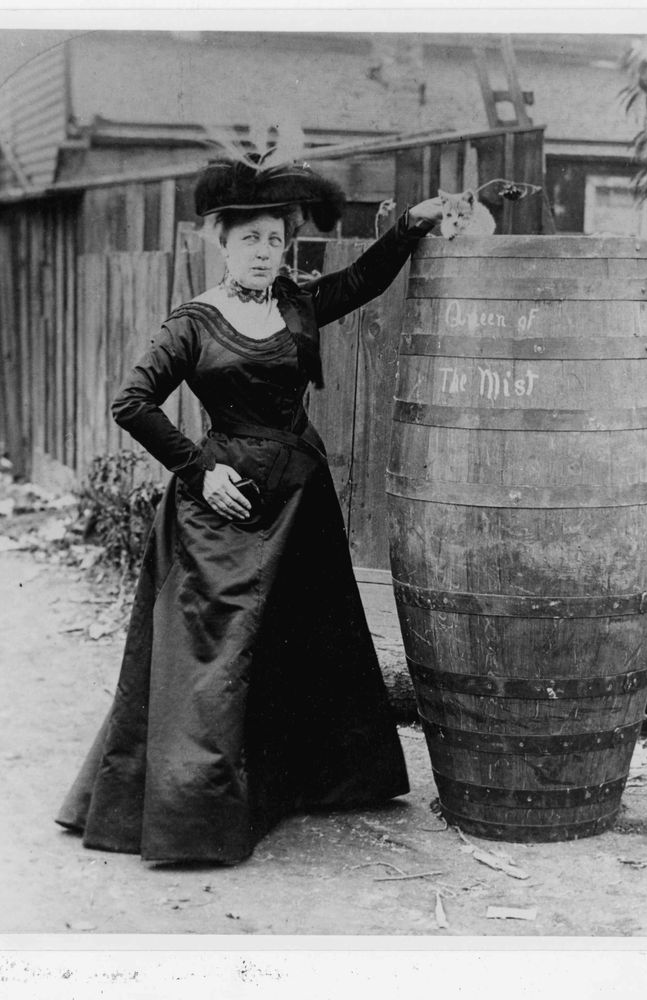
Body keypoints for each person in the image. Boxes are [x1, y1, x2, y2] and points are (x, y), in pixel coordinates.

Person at [56, 154, 443, 863]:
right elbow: (131, 403)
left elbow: (360, 281)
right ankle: (191, 815)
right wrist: (199, 470)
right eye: (251, 240)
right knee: (215, 658)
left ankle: (299, 786)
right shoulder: (193, 323)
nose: (265, 253)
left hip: (300, 501)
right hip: (223, 512)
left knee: (300, 645)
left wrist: (410, 228)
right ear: (221, 243)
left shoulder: (295, 304)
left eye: (275, 240)